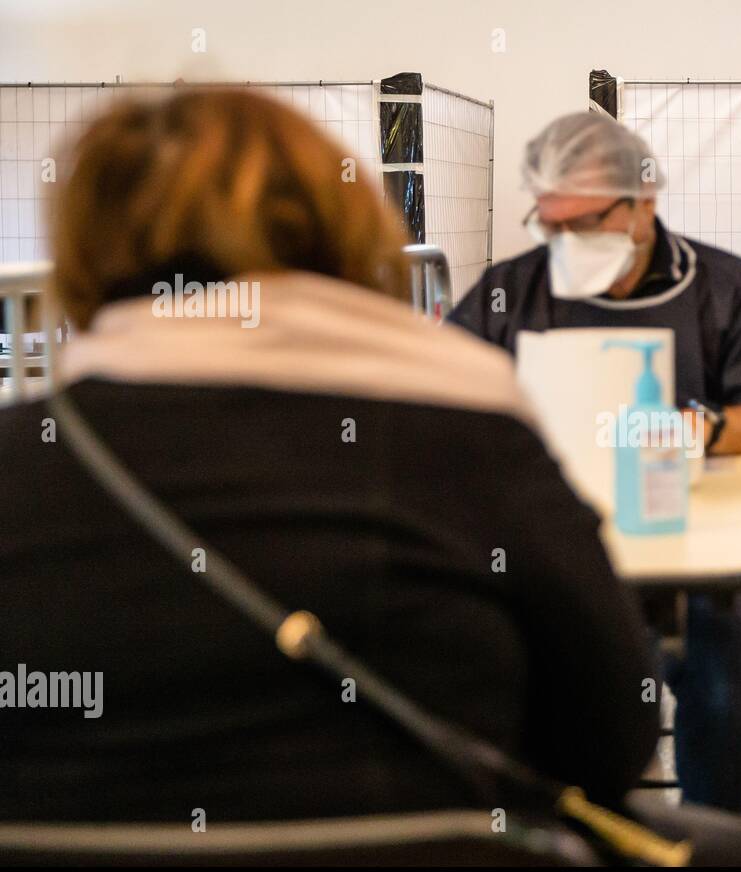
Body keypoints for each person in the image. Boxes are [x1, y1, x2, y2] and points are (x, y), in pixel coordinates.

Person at [0, 90, 659, 822]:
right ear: (347, 224)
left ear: (84, 250)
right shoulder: (469, 432)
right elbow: (611, 736)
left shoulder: (27, 457)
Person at [449, 111, 741, 815]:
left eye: (583, 225)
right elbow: (444, 393)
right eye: (549, 227)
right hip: (542, 548)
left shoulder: (727, 292)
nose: (564, 244)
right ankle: (553, 826)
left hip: (679, 553)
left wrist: (692, 432)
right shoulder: (512, 293)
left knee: (712, 659)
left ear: (643, 202)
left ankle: (709, 830)